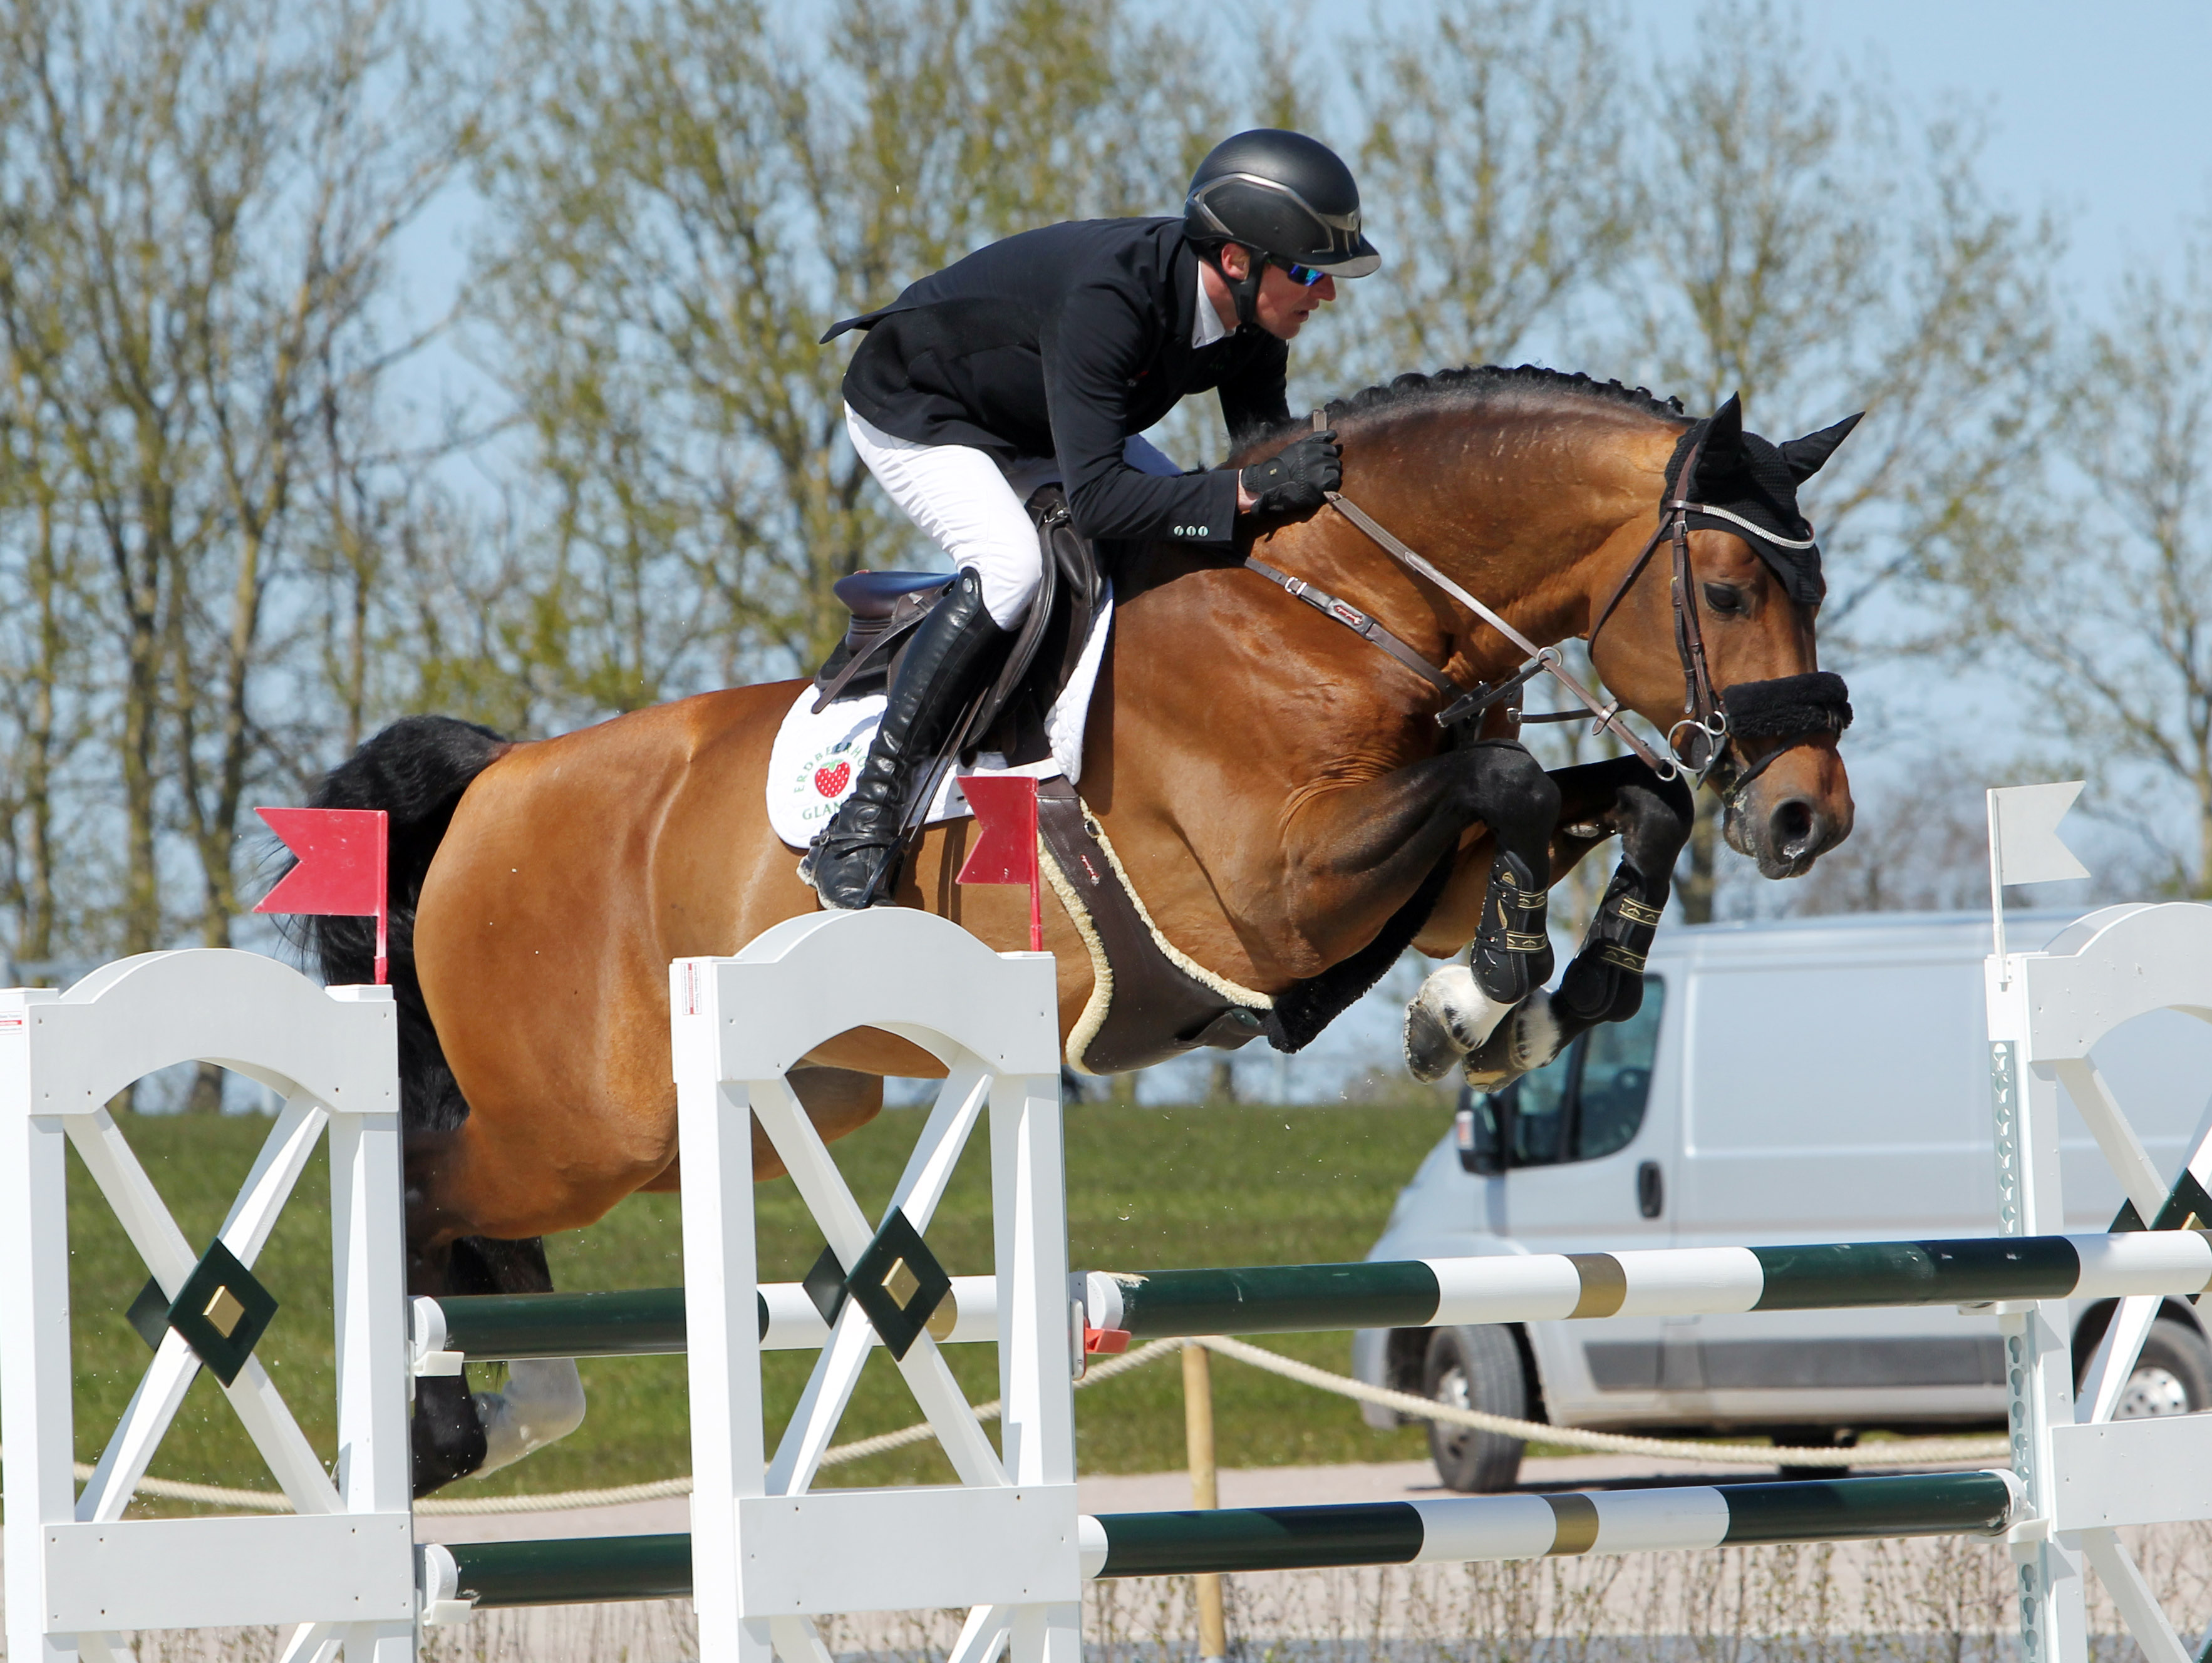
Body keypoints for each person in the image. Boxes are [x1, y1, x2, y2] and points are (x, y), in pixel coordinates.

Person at [806, 128, 1382, 909]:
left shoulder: (1250, 324)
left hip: (1038, 418)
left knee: (1200, 532)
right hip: (921, 412)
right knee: (1013, 568)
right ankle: (866, 811)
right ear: (1237, 262)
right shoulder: (1113, 299)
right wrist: (1248, 493)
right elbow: (1103, 503)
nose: (1327, 295)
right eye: (1311, 273)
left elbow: (1256, 460)